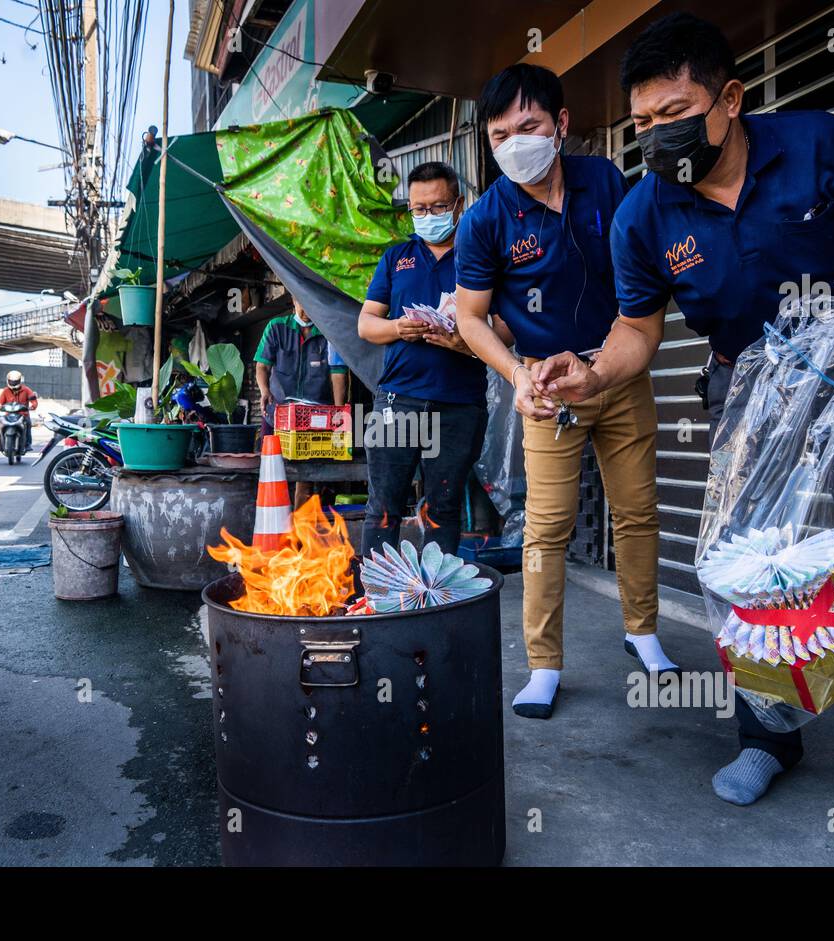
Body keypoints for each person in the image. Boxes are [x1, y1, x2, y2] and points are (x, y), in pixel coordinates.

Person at [534, 12, 834, 804]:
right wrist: (591, 374)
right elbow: (636, 330)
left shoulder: (817, 144)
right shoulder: (643, 214)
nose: (659, 137)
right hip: (743, 389)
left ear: (729, 98)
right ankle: (768, 733)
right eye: (643, 124)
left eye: (674, 115)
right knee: (752, 562)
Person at [454, 63, 677, 721]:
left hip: (620, 373)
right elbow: (470, 317)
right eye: (500, 135)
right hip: (547, 392)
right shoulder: (486, 219)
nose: (514, 143)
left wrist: (612, 358)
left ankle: (643, 632)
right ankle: (544, 667)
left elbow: (642, 277)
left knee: (636, 512)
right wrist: (519, 375)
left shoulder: (606, 180)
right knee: (545, 529)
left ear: (561, 126)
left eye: (528, 126)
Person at [359, 161, 503, 556]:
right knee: (383, 508)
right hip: (396, 400)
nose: (428, 216)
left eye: (438, 208)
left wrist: (464, 341)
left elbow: (505, 329)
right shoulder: (396, 258)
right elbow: (366, 324)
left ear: (458, 205)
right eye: (419, 209)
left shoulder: (479, 254)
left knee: (444, 508)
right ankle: (377, 596)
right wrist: (397, 329)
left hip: (459, 404)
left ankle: (438, 599)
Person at [254, 299, 349, 507]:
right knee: (271, 469)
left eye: (310, 303)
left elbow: (338, 374)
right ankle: (270, 518)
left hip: (313, 417)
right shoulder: (277, 327)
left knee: (304, 474)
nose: (305, 310)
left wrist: (339, 410)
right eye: (301, 303)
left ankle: (297, 527)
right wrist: (264, 391)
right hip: (276, 412)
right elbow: (262, 366)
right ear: (293, 301)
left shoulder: (329, 333)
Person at [0, 370, 39, 450]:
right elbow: (0, 401)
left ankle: (28, 444)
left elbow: (33, 400)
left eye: (15, 381)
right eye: (12, 381)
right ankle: (1, 443)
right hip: (8, 415)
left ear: (20, 380)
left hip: (23, 414)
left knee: (28, 423)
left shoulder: (26, 390)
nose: (13, 383)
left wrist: (33, 406)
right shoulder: (6, 390)